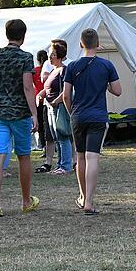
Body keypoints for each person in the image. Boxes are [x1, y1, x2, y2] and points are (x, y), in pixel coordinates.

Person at [62, 28, 121, 216]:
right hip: (98, 116)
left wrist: (72, 112)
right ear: (98, 44)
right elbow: (118, 90)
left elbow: (65, 95)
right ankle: (89, 201)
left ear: (81, 44)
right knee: (92, 157)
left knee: (80, 157)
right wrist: (105, 84)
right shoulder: (106, 65)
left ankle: (82, 195)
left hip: (78, 115)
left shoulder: (71, 67)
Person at [0, 19, 39, 218]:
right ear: (23, 36)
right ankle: (26, 201)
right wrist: (35, 114)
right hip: (20, 113)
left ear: (6, 34)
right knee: (23, 156)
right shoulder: (26, 57)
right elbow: (27, 87)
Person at [42, 41, 73, 175]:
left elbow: (67, 90)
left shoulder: (64, 70)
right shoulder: (53, 70)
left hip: (59, 107)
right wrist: (41, 95)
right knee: (55, 137)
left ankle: (65, 165)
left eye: (53, 54)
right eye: (50, 54)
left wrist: (56, 101)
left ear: (59, 55)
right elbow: (47, 88)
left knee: (62, 135)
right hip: (50, 107)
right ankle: (60, 164)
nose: (50, 57)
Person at [33, 50, 48, 150]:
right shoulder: (49, 70)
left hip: (38, 100)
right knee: (49, 124)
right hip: (49, 99)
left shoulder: (34, 71)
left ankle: (43, 146)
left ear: (37, 59)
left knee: (41, 125)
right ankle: (53, 144)